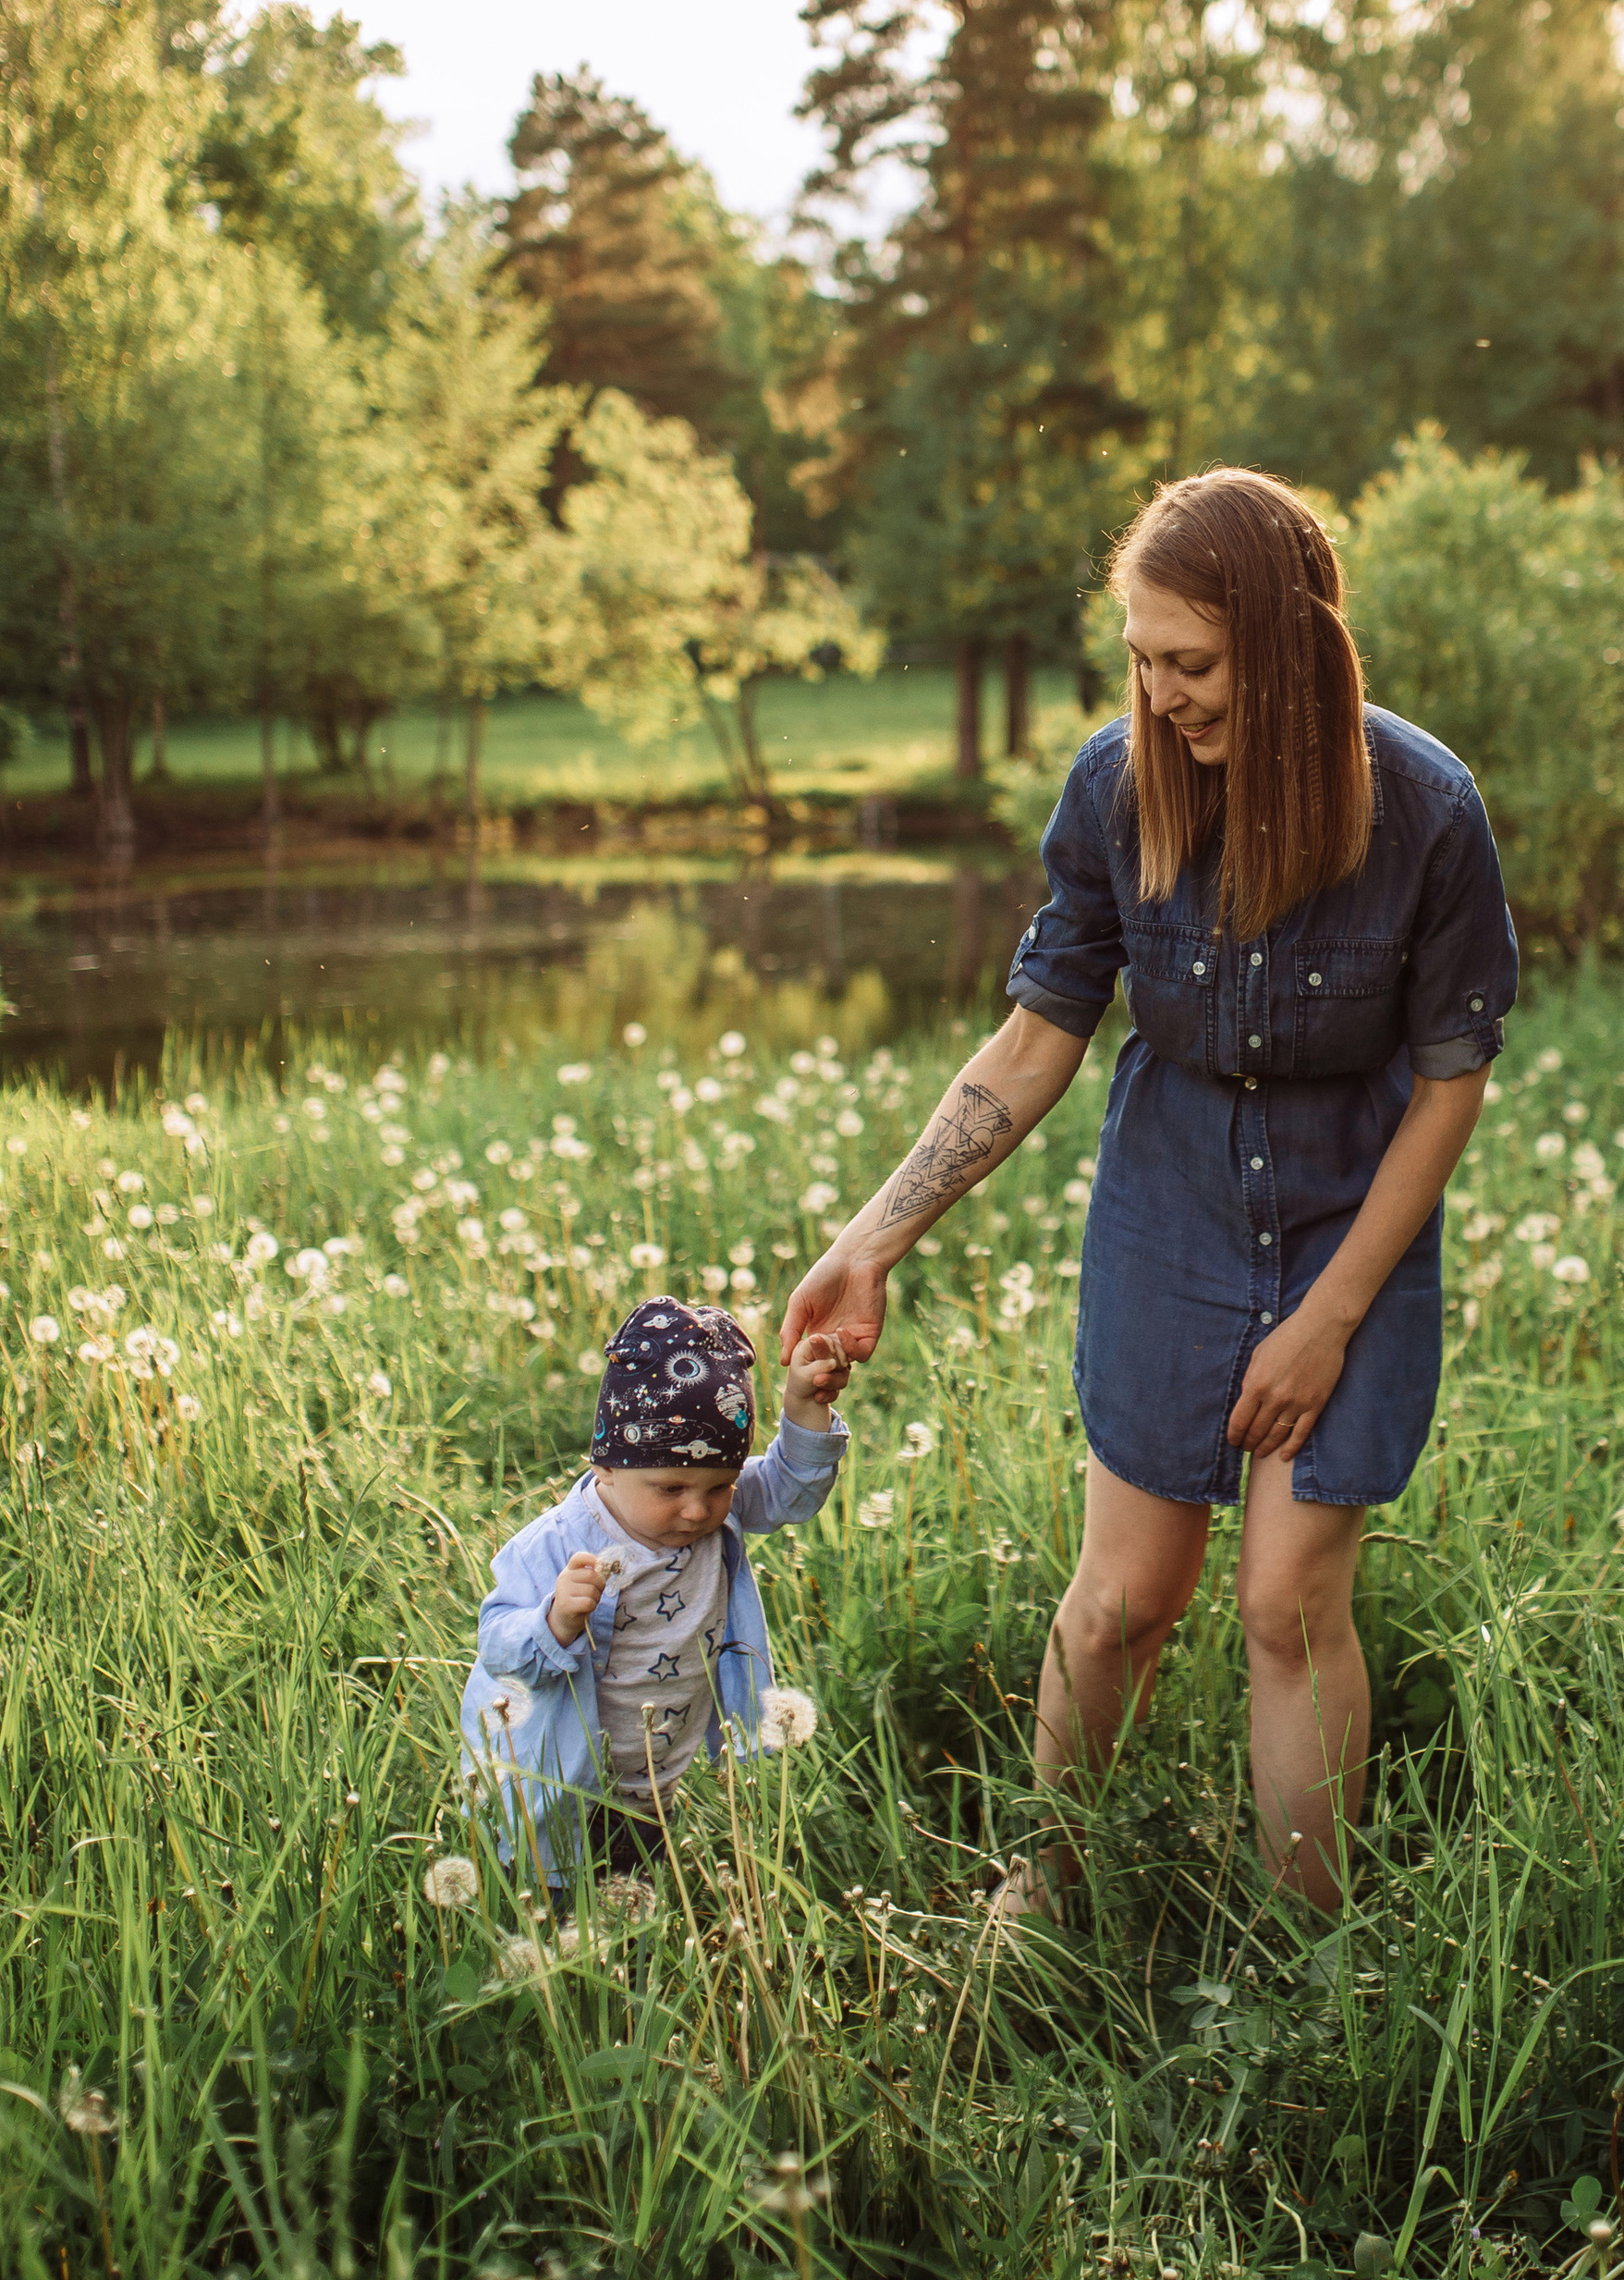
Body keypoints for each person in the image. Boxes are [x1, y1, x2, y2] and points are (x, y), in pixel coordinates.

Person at [780, 467, 1515, 1913]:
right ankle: (1049, 1890)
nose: (1161, 691)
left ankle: (1311, 1966)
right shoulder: (1119, 788)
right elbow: (1041, 1031)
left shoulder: (1428, 808)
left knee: (1287, 1602)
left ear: (1291, 646)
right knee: (1125, 1598)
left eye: (1193, 661)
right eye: (1140, 656)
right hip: (1170, 1204)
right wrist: (874, 1239)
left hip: (1347, 1227)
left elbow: (1451, 1085)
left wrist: (1329, 1318)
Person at [459, 1295, 850, 1892]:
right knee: (547, 1891)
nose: (697, 1509)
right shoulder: (557, 1545)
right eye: (670, 1487)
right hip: (559, 1771)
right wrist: (554, 1621)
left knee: (631, 1896)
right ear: (607, 1465)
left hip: (653, 1774)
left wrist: (801, 1405)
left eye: (720, 1485)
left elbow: (791, 1489)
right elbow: (497, 1647)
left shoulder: (721, 1509)